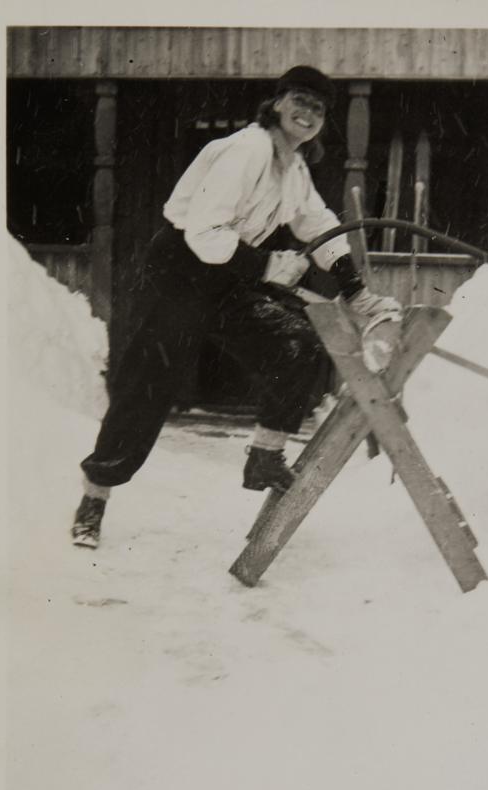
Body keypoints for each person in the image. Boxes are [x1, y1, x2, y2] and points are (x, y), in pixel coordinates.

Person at [72, 65, 402, 549]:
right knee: (147, 388)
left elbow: (318, 226)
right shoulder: (247, 150)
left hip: (226, 276)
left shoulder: (294, 167)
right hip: (179, 274)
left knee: (297, 343)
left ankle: (265, 456)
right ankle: (94, 499)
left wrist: (355, 291)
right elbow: (204, 233)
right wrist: (268, 265)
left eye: (317, 108)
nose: (307, 114)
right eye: (299, 101)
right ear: (277, 103)